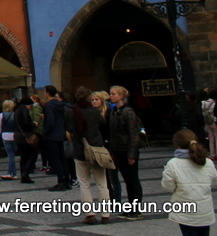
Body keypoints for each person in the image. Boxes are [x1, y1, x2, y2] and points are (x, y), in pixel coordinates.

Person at [162, 129, 217, 236]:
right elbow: (214, 182)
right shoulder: (207, 162)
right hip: (204, 211)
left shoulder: (173, 164)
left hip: (186, 212)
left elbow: (168, 187)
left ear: (177, 145)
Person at [66, 87, 111, 224]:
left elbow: (69, 132)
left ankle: (90, 214)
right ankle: (105, 214)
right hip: (97, 149)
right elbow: (101, 127)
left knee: (84, 184)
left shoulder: (70, 112)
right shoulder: (95, 112)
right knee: (102, 184)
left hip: (80, 150)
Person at [109, 85, 143, 219]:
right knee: (127, 180)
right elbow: (112, 134)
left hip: (127, 150)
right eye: (111, 94)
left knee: (133, 180)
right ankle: (130, 208)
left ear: (121, 96)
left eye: (114, 94)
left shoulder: (128, 112)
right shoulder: (114, 111)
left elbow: (134, 134)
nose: (111, 96)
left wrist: (131, 154)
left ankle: (137, 209)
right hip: (118, 150)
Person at [42, 86, 70, 190]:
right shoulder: (60, 104)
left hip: (52, 135)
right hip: (60, 133)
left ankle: (61, 181)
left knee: (56, 159)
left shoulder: (49, 105)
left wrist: (45, 132)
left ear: (48, 93)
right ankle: (66, 180)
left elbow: (50, 121)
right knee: (62, 158)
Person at [14, 97, 39, 183]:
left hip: (17, 135)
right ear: (28, 105)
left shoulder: (17, 110)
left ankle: (23, 174)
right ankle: (26, 173)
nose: (31, 107)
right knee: (32, 154)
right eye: (31, 105)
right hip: (25, 136)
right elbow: (25, 123)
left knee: (23, 156)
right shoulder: (24, 110)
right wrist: (33, 124)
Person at [0, 101, 17, 179]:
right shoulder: (15, 114)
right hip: (14, 135)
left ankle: (11, 172)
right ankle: (13, 173)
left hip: (6, 135)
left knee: (10, 155)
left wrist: (1, 134)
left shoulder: (2, 115)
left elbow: (0, 126)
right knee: (12, 154)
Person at [202, 90, 217, 163]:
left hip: (207, 122)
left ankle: (212, 154)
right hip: (214, 122)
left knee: (211, 138)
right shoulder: (215, 103)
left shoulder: (203, 103)